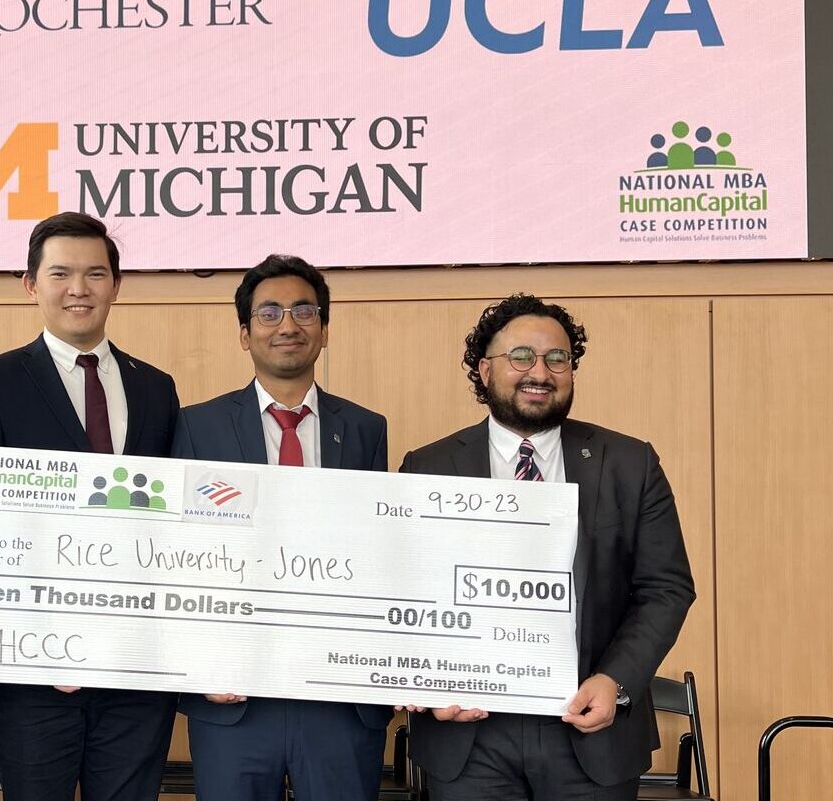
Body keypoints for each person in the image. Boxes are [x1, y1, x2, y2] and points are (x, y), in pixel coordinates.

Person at [400, 293, 695, 801]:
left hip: (589, 729)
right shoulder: (427, 467)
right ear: (484, 369)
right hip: (469, 734)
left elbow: (665, 588)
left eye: (557, 358)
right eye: (521, 357)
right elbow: (398, 591)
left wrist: (616, 680)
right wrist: (428, 682)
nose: (540, 371)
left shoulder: (629, 463)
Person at [0, 212, 180, 801]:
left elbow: (175, 529)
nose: (78, 289)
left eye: (95, 274)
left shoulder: (157, 387)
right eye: (60, 273)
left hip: (137, 672)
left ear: (116, 285)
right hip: (35, 672)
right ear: (30, 284)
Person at [171, 254, 394, 801]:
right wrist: (199, 663)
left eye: (304, 311)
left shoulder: (366, 429)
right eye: (269, 313)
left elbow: (379, 553)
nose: (288, 325)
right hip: (234, 697)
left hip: (339, 698)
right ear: (245, 334)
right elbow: (175, 553)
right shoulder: (197, 426)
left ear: (324, 329)